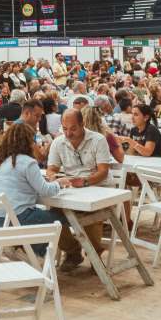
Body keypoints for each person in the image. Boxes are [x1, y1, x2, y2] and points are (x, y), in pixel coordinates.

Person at [0, 124, 73, 253]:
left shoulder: (0, 161)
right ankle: (49, 253)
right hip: (17, 221)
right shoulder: (28, 162)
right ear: (29, 142)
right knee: (64, 217)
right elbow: (45, 191)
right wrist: (59, 183)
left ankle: (33, 252)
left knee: (44, 217)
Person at [46, 109, 111, 270]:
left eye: (73, 128)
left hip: (98, 188)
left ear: (83, 124)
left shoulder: (98, 140)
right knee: (50, 216)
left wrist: (85, 182)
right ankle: (72, 251)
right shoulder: (58, 142)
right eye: (65, 128)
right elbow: (51, 169)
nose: (68, 133)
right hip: (73, 190)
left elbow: (103, 171)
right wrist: (53, 177)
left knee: (91, 214)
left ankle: (94, 254)